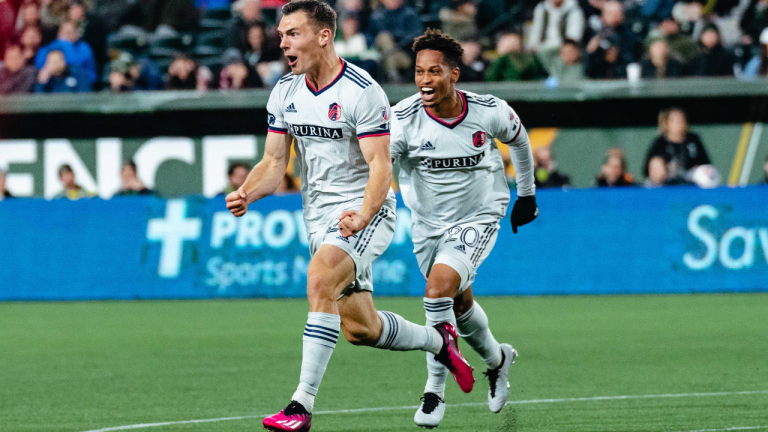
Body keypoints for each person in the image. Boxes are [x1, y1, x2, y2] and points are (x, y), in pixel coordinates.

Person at [224, 3, 474, 431]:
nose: (282, 43)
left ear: (323, 36)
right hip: (318, 218)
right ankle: (439, 342)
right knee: (362, 329)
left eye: (292, 33)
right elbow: (274, 161)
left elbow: (380, 167)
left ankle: (300, 406)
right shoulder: (285, 91)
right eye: (281, 35)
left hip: (363, 211)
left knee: (319, 279)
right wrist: (248, 191)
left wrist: (363, 214)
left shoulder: (361, 91)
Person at [390, 29, 537, 429]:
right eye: (419, 71)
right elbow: (378, 167)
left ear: (454, 74)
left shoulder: (488, 111)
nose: (424, 80)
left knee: (437, 291)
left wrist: (526, 196)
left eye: (434, 71)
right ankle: (497, 359)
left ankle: (434, 389)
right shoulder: (402, 120)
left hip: (479, 215)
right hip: (427, 224)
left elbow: (520, 141)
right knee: (458, 305)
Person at [644, 107, 710, 180]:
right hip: (666, 180)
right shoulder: (660, 142)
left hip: (691, 179)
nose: (678, 122)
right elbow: (646, 170)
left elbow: (706, 164)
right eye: (674, 120)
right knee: (656, 163)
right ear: (666, 124)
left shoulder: (693, 139)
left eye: (681, 119)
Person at [366, 0, 423, 82]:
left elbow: (416, 36)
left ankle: (391, 73)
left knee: (385, 38)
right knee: (383, 37)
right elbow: (369, 37)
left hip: (403, 55)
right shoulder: (377, 16)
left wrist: (396, 42)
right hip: (381, 54)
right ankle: (392, 74)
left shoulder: (409, 14)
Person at [34, 20, 96, 85]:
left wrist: (66, 44)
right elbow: (39, 64)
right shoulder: (49, 47)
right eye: (66, 32)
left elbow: (75, 63)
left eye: (72, 32)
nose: (68, 35)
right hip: (52, 81)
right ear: (59, 34)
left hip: (80, 81)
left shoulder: (84, 47)